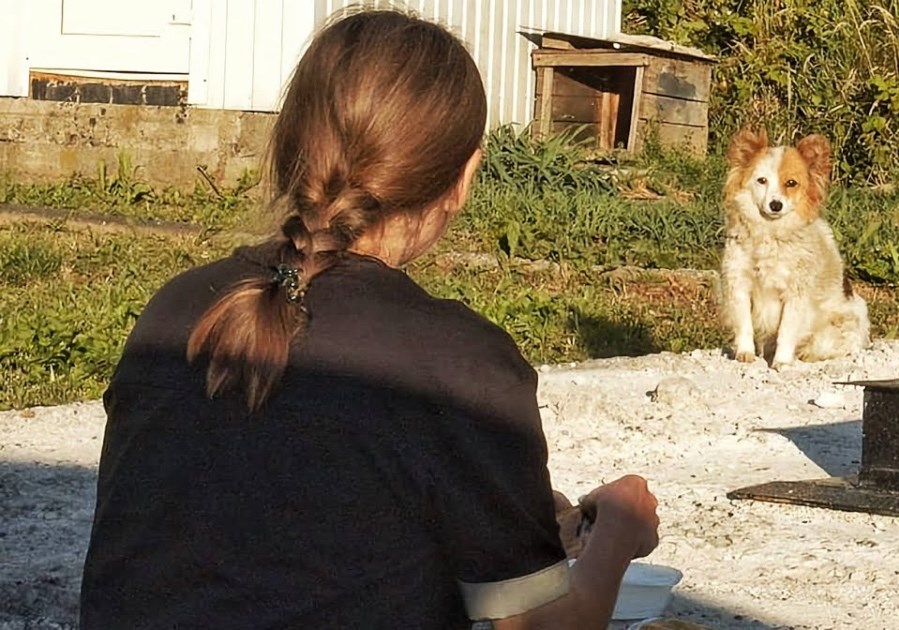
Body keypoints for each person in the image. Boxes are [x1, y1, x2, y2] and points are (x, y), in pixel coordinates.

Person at [79, 8, 660, 629]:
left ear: (288, 151)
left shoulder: (174, 310)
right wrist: (618, 532)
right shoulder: (458, 363)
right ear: (464, 176)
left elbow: (268, 511)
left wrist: (515, 516)